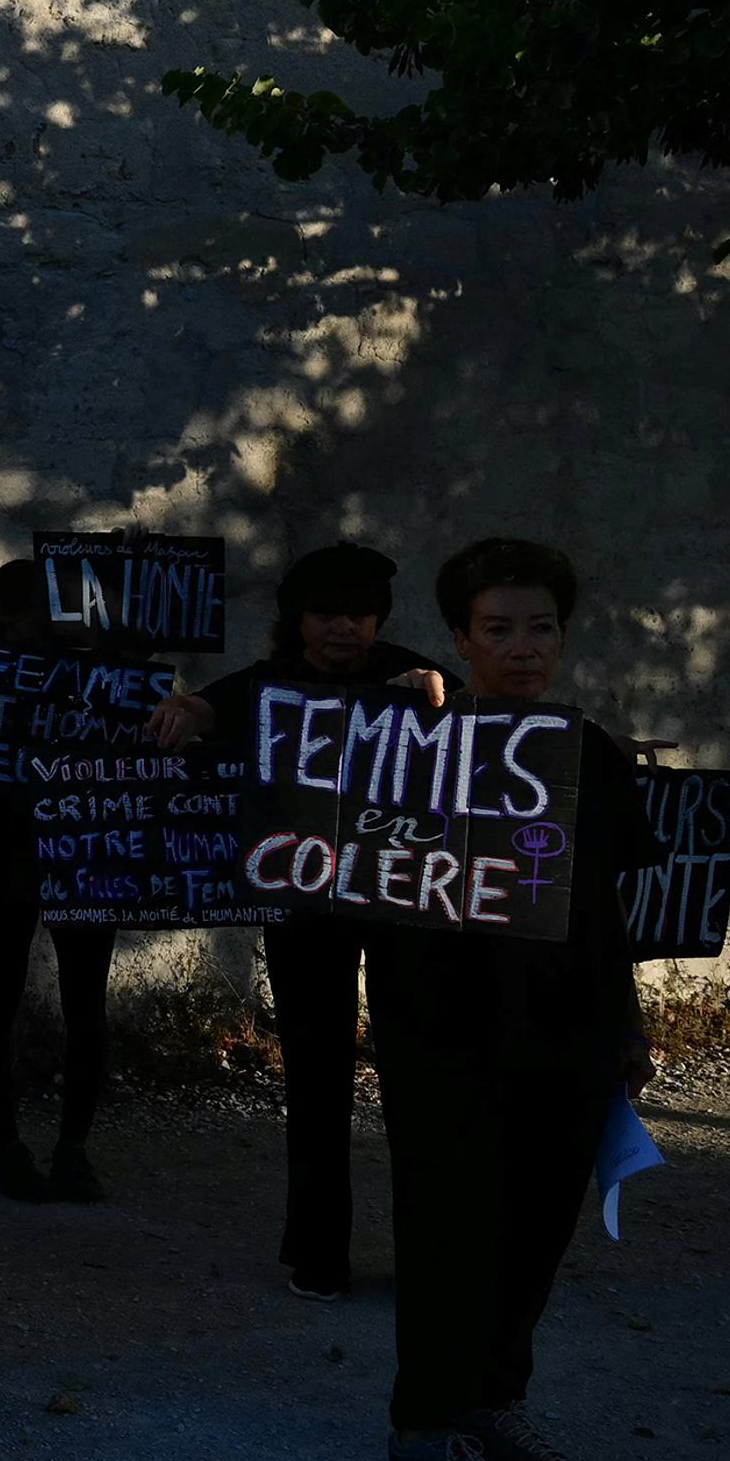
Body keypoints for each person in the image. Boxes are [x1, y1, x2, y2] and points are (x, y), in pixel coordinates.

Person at [358, 538, 650, 1461]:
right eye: (499, 629)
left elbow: (610, 908)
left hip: (569, 1035)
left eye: (541, 628)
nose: (522, 647)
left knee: (535, 1231)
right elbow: (339, 824)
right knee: (450, 1230)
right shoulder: (414, 737)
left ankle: (491, 1401)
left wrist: (627, 1028)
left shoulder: (596, 751)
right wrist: (396, 712)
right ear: (461, 639)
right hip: (443, 1034)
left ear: (563, 637)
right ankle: (422, 1434)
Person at [145, 542, 435, 1297]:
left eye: (360, 613)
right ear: (297, 619)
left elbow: (484, 731)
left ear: (380, 619)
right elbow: (210, 703)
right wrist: (184, 707)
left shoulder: (411, 670)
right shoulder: (270, 681)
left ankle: (430, 1249)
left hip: (403, 900)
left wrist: (442, 697)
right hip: (307, 908)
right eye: (327, 613)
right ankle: (319, 1250)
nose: (344, 628)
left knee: (419, 1074)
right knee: (315, 1074)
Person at [0, 568, 116, 1204]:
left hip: (82, 858)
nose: (67, 622)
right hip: (14, 862)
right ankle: (11, 1147)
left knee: (85, 1009)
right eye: (49, 611)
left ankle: (71, 1150)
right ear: (10, 618)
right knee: (0, 1002)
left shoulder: (92, 684)